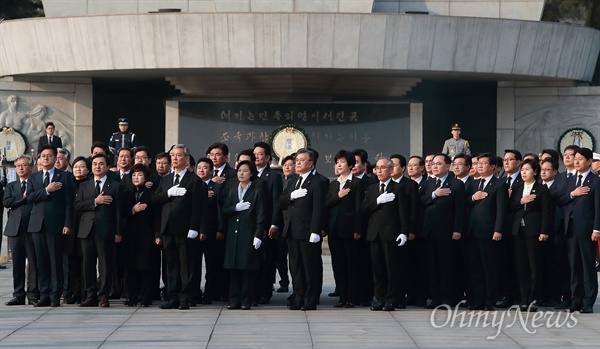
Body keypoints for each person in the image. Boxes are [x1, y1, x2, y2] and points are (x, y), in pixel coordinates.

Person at [154, 144, 206, 310]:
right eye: (173, 156)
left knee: (186, 265)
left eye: (178, 155)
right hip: (168, 228)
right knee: (171, 265)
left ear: (187, 159)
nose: (174, 158)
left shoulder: (194, 180)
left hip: (185, 230)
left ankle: (185, 297)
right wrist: (168, 193)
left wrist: (195, 227)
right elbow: (155, 199)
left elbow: (199, 207)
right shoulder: (165, 180)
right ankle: (172, 296)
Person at [27, 145, 74, 307]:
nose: (45, 158)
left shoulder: (64, 177)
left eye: (49, 156)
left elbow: (69, 203)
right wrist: (47, 190)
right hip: (37, 226)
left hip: (56, 225)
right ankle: (44, 295)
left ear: (55, 159)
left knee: (56, 262)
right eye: (43, 156)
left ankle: (55, 296)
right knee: (42, 262)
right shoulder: (33, 177)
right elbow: (30, 197)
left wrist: (68, 223)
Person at [75, 153, 123, 308]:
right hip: (87, 230)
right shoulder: (84, 185)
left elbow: (119, 212)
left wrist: (118, 232)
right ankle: (90, 296)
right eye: (95, 164)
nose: (97, 166)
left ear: (107, 167)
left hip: (106, 230)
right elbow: (78, 205)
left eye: (101, 164)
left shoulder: (115, 186)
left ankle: (103, 296)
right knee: (87, 265)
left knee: (105, 265)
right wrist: (95, 202)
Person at [362, 157, 409, 312]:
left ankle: (391, 298)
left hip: (391, 233)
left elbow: (403, 212)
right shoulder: (372, 189)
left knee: (392, 268)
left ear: (391, 169)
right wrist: (377, 201)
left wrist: (403, 232)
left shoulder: (398, 188)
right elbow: (364, 209)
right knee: (377, 268)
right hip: (374, 234)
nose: (380, 170)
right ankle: (379, 298)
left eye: (383, 168)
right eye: (377, 168)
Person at [280, 148, 324, 311]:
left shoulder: (317, 182)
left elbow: (318, 208)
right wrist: (292, 196)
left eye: (301, 160)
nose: (297, 163)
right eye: (296, 160)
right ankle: (298, 297)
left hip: (307, 231)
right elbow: (282, 201)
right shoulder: (292, 181)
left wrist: (315, 230)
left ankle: (310, 299)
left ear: (311, 164)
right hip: (292, 230)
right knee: (295, 267)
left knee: (309, 267)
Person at [420, 153, 465, 308]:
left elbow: (460, 209)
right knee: (431, 266)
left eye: (438, 164)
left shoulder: (456, 184)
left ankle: (449, 296)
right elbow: (420, 201)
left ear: (447, 166)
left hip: (447, 231)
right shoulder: (427, 183)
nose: (435, 166)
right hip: (429, 231)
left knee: (447, 265)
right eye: (433, 164)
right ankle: (436, 297)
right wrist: (434, 194)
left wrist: (457, 229)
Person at [558, 147, 599, 314]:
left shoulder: (596, 181)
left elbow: (598, 207)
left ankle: (588, 301)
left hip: (587, 229)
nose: (576, 161)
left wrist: (597, 228)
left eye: (580, 159)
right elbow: (560, 200)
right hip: (570, 228)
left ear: (589, 161)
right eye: (575, 158)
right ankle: (576, 300)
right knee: (573, 266)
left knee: (587, 266)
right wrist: (573, 194)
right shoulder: (570, 180)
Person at [221, 160, 266, 310]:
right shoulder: (232, 189)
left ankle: (247, 299)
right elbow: (225, 210)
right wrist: (235, 207)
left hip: (249, 233)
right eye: (239, 170)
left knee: (247, 268)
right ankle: (234, 299)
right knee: (234, 268)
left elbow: (261, 214)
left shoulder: (257, 191)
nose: (241, 173)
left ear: (252, 173)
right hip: (234, 234)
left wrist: (258, 234)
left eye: (245, 171)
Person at [466, 152, 508, 311]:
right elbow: (465, 202)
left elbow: (501, 210)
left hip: (488, 231)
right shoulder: (473, 184)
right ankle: (478, 299)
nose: (480, 166)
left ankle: (490, 300)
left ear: (493, 167)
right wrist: (472, 198)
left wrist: (498, 229)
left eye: (484, 163)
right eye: (478, 163)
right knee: (475, 267)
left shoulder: (499, 184)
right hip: (472, 231)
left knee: (489, 267)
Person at [325, 150, 364, 308]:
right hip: (334, 230)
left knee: (351, 264)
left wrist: (358, 229)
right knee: (338, 264)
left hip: (350, 230)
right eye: (337, 162)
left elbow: (359, 208)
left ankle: (352, 297)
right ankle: (342, 296)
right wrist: (338, 196)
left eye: (342, 162)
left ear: (350, 165)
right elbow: (326, 204)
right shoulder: (333, 184)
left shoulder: (356, 183)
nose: (338, 165)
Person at [510, 159, 549, 312]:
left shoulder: (541, 189)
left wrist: (544, 231)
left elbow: (546, 212)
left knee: (534, 267)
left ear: (535, 172)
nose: (524, 172)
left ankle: (533, 299)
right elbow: (511, 206)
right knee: (521, 267)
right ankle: (523, 299)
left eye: (527, 169)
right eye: (522, 169)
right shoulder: (518, 188)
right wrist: (521, 201)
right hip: (518, 231)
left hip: (534, 231)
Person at [121, 164, 160, 307]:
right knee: (131, 268)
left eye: (139, 175)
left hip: (147, 236)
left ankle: (146, 298)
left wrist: (158, 234)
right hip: (130, 236)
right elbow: (121, 212)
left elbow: (157, 216)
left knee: (146, 267)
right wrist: (133, 209)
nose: (136, 178)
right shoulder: (126, 193)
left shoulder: (152, 194)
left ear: (146, 178)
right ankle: (132, 297)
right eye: (134, 175)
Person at [3, 155, 39, 306]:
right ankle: (18, 295)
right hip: (15, 230)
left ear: (31, 168)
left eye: (24, 165)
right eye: (18, 166)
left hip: (31, 229)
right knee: (17, 264)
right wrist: (23, 198)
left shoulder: (36, 184)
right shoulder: (11, 186)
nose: (21, 168)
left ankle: (33, 294)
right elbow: (7, 202)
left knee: (33, 263)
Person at [253, 142, 283, 304]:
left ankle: (265, 291)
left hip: (267, 226)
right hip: (251, 225)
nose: (256, 157)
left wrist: (274, 224)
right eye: (254, 153)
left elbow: (276, 201)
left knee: (267, 260)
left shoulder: (273, 176)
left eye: (260, 154)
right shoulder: (248, 174)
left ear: (268, 158)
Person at [196, 157, 227, 303]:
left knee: (212, 265)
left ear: (211, 170)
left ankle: (210, 294)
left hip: (212, 231)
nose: (201, 170)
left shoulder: (218, 187)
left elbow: (220, 210)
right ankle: (195, 293)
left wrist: (220, 229)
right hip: (194, 232)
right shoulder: (193, 186)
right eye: (199, 167)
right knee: (194, 265)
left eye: (205, 168)